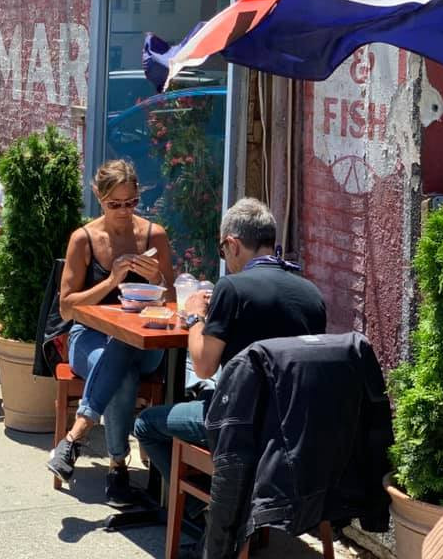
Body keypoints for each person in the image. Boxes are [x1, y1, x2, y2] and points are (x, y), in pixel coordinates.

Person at [133, 196, 326, 488]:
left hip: (239, 425)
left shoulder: (232, 288)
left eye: (223, 252)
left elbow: (203, 366)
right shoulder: (311, 293)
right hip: (294, 429)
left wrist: (194, 317)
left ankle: (196, 511)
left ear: (233, 244)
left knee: (146, 424)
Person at [47, 159, 174, 508]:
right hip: (89, 338)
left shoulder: (154, 235)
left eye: (131, 203)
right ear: (99, 198)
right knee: (121, 365)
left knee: (124, 347)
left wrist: (157, 281)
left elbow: (174, 303)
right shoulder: (84, 239)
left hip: (146, 341)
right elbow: (67, 308)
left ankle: (77, 436)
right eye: (114, 204)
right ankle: (117, 467)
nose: (123, 212)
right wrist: (110, 281)